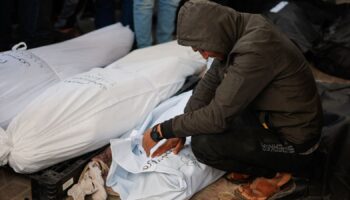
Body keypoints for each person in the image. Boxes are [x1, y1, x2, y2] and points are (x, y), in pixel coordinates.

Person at [142, 0, 323, 199]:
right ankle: (262, 162)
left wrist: (162, 130)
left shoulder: (254, 50)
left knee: (205, 144)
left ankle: (279, 173)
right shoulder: (239, 29)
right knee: (204, 118)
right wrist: (181, 129)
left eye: (203, 49)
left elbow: (217, 118)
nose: (204, 56)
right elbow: (208, 85)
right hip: (269, 119)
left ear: (216, 34)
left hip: (295, 144)